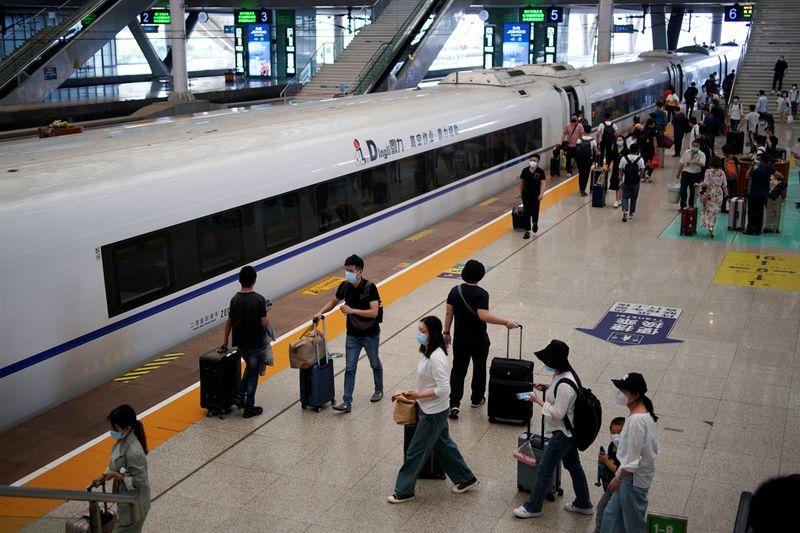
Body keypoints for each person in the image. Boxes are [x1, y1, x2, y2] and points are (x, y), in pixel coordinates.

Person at [388, 316, 479, 503]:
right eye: (419, 331)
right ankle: (466, 478)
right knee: (443, 445)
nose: (419, 335)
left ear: (433, 334)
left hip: (433, 412)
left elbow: (444, 389)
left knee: (416, 451)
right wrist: (411, 394)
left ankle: (404, 490)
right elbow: (427, 381)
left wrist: (418, 396)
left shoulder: (437, 357)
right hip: (430, 408)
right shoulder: (427, 351)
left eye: (423, 332)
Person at [512, 340, 593, 519]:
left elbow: (557, 413)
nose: (545, 363)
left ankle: (533, 507)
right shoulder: (564, 374)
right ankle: (584, 503)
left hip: (563, 434)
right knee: (574, 466)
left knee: (544, 469)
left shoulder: (565, 384)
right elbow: (562, 396)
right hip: (570, 433)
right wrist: (548, 388)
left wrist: (538, 400)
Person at [444, 259, 518, 419]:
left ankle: (454, 403)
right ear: (480, 276)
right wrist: (506, 322)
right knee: (479, 368)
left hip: (460, 339)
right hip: (478, 340)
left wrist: (446, 332)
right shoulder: (481, 294)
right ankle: (477, 398)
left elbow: (449, 313)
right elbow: (483, 315)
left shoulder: (454, 291)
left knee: (458, 370)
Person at [315, 254, 383, 412]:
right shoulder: (344, 286)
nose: (347, 273)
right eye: (346, 270)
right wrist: (320, 312)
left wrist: (352, 310)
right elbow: (333, 301)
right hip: (352, 334)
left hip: (370, 334)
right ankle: (347, 401)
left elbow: (374, 312)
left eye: (350, 270)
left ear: (359, 271)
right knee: (350, 367)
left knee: (374, 363)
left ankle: (379, 389)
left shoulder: (370, 287)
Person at [600, 373, 659, 533]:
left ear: (634, 395)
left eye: (623, 390)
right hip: (628, 477)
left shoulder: (636, 421)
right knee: (611, 515)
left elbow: (633, 460)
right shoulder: (641, 414)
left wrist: (618, 479)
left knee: (633, 526)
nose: (619, 393)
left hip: (632, 480)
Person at [223, 265, 271, 418]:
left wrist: (225, 341)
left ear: (239, 280)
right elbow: (264, 323)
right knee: (253, 375)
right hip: (255, 343)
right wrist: (268, 312)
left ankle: (239, 395)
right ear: (254, 281)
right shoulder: (259, 299)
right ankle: (249, 408)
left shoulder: (234, 299)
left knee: (250, 369)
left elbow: (229, 322)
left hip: (241, 344)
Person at [94, 405, 150, 533]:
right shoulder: (122, 441)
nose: (111, 430)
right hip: (126, 502)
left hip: (135, 506)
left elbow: (139, 481)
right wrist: (104, 476)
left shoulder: (133, 452)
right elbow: (115, 465)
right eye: (111, 426)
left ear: (127, 428)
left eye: (114, 428)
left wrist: (116, 475)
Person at [593, 417, 625, 533]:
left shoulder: (626, 449)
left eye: (620, 432)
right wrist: (603, 461)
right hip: (611, 484)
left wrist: (606, 461)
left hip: (620, 485)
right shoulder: (612, 446)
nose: (616, 435)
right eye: (613, 433)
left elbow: (620, 470)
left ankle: (599, 530)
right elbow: (611, 463)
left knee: (602, 507)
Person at [746, 153, 783, 235]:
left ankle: (750, 229)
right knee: (760, 212)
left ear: (762, 161)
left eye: (758, 160)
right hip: (763, 194)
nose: (757, 161)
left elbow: (747, 176)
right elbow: (780, 175)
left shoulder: (757, 171)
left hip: (754, 194)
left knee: (751, 212)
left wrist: (751, 167)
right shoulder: (769, 167)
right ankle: (758, 230)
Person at [697, 156, 728, 239]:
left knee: (707, 210)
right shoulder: (722, 172)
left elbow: (706, 183)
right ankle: (712, 227)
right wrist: (726, 194)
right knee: (715, 212)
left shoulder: (708, 172)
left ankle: (709, 226)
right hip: (719, 193)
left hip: (710, 193)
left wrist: (699, 184)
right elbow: (724, 185)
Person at [518, 154, 547, 238]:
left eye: (534, 160)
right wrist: (520, 193)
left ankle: (535, 223)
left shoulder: (540, 172)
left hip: (536, 195)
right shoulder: (525, 171)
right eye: (531, 160)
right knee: (526, 212)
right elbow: (521, 183)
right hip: (526, 195)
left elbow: (543, 183)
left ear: (538, 162)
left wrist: (541, 194)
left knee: (535, 211)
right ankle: (527, 231)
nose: (532, 162)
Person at [676, 139, 707, 209]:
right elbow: (681, 163)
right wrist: (678, 172)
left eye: (696, 146)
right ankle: (683, 206)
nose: (695, 147)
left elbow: (703, 164)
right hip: (685, 173)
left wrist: (694, 162)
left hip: (695, 175)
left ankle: (691, 206)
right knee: (683, 190)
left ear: (699, 146)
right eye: (693, 146)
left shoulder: (702, 154)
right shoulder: (687, 152)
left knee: (692, 191)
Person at [619, 144, 645, 222]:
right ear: (638, 151)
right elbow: (642, 170)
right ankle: (631, 213)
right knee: (634, 198)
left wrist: (620, 177)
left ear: (630, 149)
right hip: (636, 182)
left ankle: (625, 211)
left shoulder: (624, 158)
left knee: (625, 197)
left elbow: (620, 169)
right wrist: (639, 178)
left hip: (626, 181)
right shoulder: (640, 159)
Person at [575, 130, 599, 196]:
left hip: (580, 160)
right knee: (586, 174)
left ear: (584, 131)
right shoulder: (593, 140)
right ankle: (583, 189)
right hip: (588, 160)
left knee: (581, 173)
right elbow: (596, 151)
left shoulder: (579, 140)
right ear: (590, 131)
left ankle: (581, 188)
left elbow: (576, 150)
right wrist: (598, 153)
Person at [609, 135, 627, 208]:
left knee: (621, 185)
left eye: (620, 140)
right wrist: (607, 165)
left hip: (624, 170)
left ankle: (619, 199)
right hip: (616, 170)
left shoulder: (626, 150)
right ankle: (617, 200)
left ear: (623, 141)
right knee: (617, 185)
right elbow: (609, 158)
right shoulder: (614, 150)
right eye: (617, 140)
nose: (619, 141)